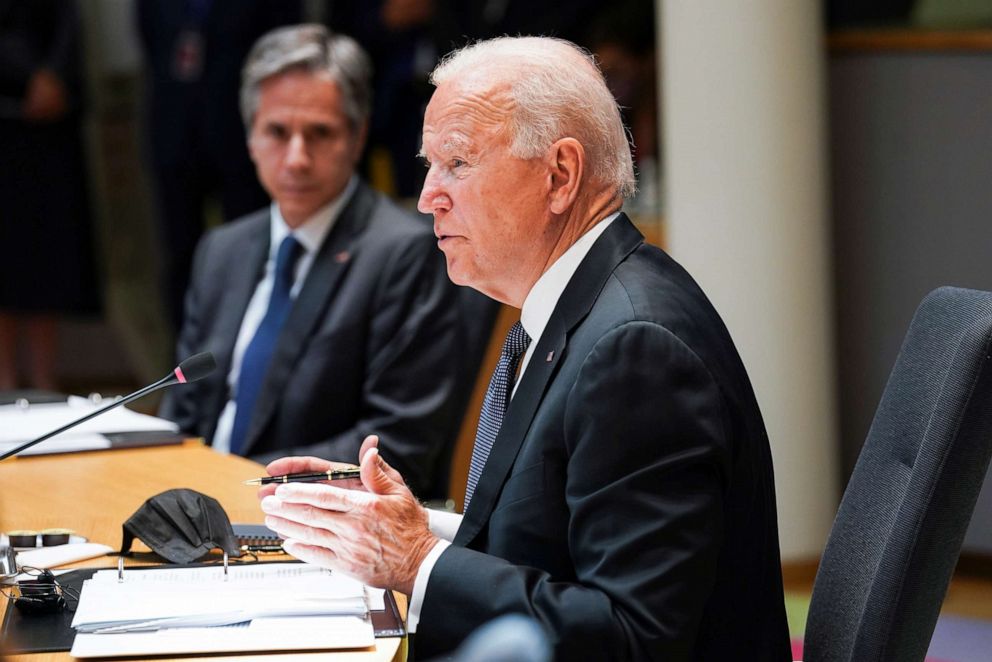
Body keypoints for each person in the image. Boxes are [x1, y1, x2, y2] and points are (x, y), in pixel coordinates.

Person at [257, 36, 792, 659]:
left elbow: (633, 638)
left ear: (559, 176)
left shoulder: (635, 350)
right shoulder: (574, 306)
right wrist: (406, 525)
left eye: (457, 163)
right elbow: (553, 541)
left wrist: (415, 562)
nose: (429, 195)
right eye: (430, 165)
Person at [160, 24, 474, 498]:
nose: (297, 158)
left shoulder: (405, 253)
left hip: (308, 523)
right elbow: (183, 409)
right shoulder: (221, 251)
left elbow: (394, 444)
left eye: (320, 133)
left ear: (357, 134)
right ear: (250, 138)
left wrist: (230, 482)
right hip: (197, 510)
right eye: (277, 132)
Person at [135, 0, 301, 331]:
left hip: (244, 135)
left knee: (255, 256)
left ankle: (254, 357)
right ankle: (186, 366)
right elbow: (150, 36)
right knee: (180, 257)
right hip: (175, 131)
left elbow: (283, 49)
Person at [0, 0, 99, 390]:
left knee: (46, 251)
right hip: (6, 116)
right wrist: (27, 76)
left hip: (50, 124)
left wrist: (54, 77)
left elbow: (70, 25)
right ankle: (4, 385)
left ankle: (44, 383)